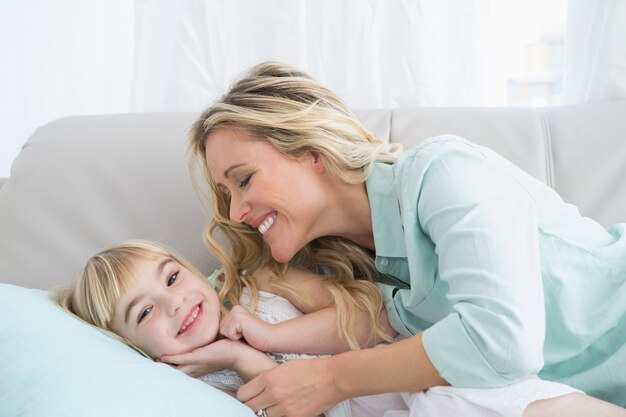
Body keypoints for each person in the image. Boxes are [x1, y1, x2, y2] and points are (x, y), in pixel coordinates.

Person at [186, 61, 626, 416]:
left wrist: (333, 380)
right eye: (225, 194)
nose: (233, 213)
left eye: (242, 180)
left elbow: (502, 341)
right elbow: (191, 302)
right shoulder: (335, 268)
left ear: (310, 151)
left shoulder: (441, 173)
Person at [55, 240, 619, 417]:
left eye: (172, 277)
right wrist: (242, 361)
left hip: (419, 377)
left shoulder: (260, 284)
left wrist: (268, 338)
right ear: (132, 349)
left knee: (467, 398)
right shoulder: (189, 389)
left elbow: (373, 313)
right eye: (145, 313)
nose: (175, 303)